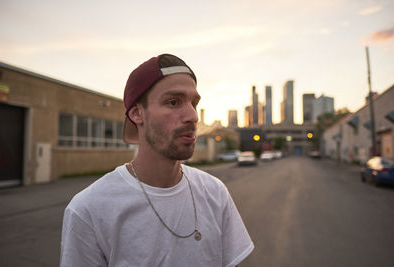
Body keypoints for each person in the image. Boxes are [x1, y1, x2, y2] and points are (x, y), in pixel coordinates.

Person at [60, 54, 254, 266]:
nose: (193, 116)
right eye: (173, 102)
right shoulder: (88, 210)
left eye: (194, 103)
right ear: (137, 114)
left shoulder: (215, 192)